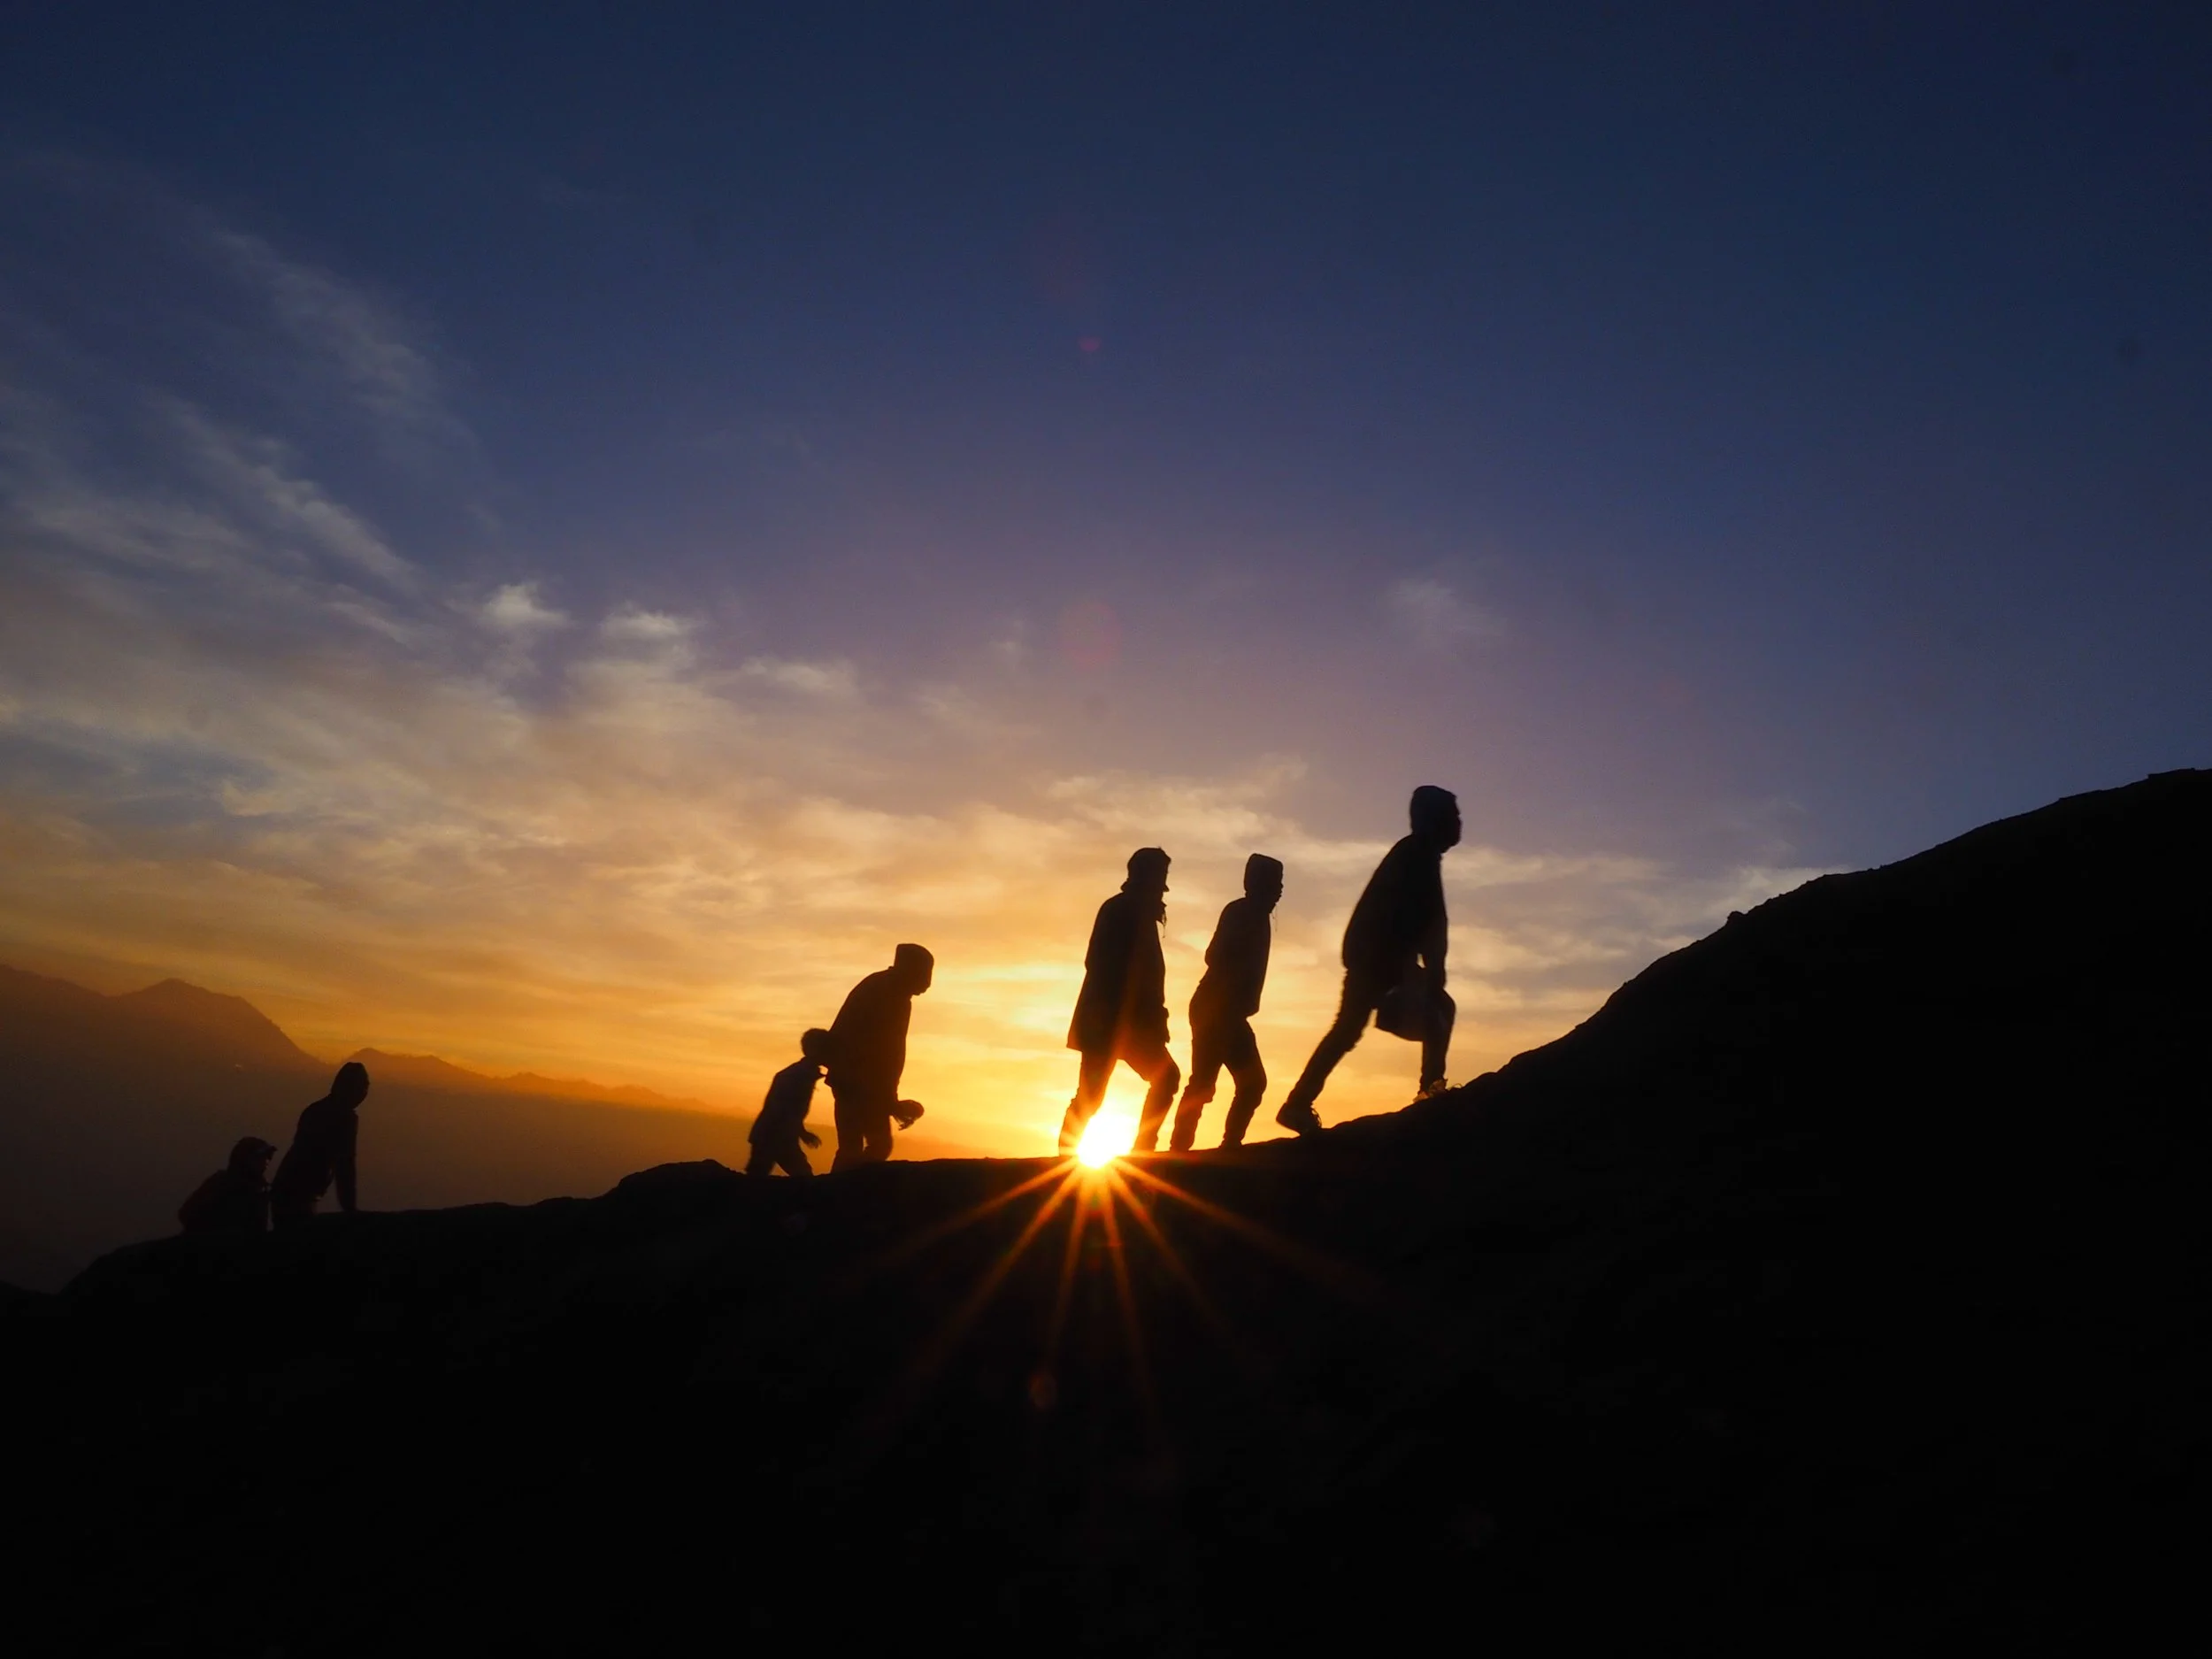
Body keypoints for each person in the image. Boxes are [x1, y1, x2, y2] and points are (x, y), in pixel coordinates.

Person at [1275, 786, 1461, 1136]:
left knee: (1347, 1030)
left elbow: (1427, 923)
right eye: (1452, 815)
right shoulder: (1416, 854)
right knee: (1437, 1012)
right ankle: (1430, 1090)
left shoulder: (1416, 854)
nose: (1459, 822)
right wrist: (1430, 973)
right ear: (1434, 820)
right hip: (1381, 962)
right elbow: (1431, 923)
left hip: (1377, 960)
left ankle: (1297, 1103)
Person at [1059, 847, 1182, 1156]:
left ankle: (1141, 1147)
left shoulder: (1135, 912)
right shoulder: (1123, 910)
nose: (1163, 887)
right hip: (1112, 1022)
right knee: (1093, 1094)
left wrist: (1155, 1016)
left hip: (1128, 1023)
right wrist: (1131, 1013)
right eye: (1160, 877)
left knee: (1161, 1079)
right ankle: (1068, 1156)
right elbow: (1101, 964)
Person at [1170, 853, 1284, 1151]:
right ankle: (1180, 1149)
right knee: (1205, 1084)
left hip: (1229, 1014)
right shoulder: (1241, 913)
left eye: (1280, 883)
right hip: (1215, 1010)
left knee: (1250, 1083)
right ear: (1257, 884)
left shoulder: (1256, 917)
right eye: (1275, 882)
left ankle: (1229, 1144)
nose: (1280, 890)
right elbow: (1214, 955)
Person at [827, 944, 933, 1170]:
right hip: (859, 1081)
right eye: (923, 979)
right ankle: (843, 1192)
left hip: (853, 1079)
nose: (923, 989)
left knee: (853, 1146)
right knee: (875, 1145)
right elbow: (887, 1051)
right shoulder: (888, 994)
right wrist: (888, 1098)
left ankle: (838, 1191)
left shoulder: (883, 988)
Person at [270, 1061, 371, 1230]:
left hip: (286, 1191)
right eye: (362, 1087)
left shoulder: (315, 1109)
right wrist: (350, 1209)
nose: (364, 1093)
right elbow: (345, 1165)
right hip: (299, 1195)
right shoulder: (344, 1118)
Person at [748, 1029, 831, 1179]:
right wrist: (801, 1132)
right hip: (775, 1136)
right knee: (802, 1177)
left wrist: (800, 1132)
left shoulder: (800, 1074)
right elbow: (783, 1110)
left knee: (757, 1177)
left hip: (774, 1135)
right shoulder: (797, 1076)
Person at [177, 1137, 277, 1234]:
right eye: (260, 1157)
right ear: (245, 1159)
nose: (266, 1161)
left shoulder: (262, 1190)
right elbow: (186, 1214)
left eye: (268, 1157)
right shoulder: (221, 1183)